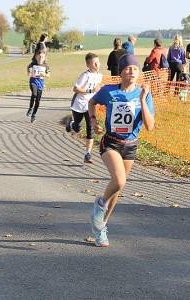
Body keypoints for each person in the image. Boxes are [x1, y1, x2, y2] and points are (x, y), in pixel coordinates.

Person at [88, 54, 155, 247]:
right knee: (119, 180)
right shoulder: (109, 91)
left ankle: (101, 228)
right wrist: (93, 122)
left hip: (131, 145)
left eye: (135, 68)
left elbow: (150, 126)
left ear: (139, 72)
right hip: (111, 142)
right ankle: (100, 204)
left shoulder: (145, 93)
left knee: (118, 187)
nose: (131, 71)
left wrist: (142, 99)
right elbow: (92, 102)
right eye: (127, 68)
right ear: (121, 72)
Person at [65, 53, 102, 163]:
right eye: (94, 63)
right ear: (88, 65)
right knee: (77, 127)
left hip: (90, 105)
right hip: (78, 104)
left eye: (98, 62)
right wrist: (90, 91)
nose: (97, 64)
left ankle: (88, 154)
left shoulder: (99, 76)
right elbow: (75, 89)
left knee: (90, 129)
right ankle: (71, 123)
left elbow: (98, 89)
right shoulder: (85, 75)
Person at [26, 50, 50, 123]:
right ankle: (30, 108)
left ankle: (33, 114)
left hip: (40, 84)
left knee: (38, 100)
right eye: (39, 57)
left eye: (42, 57)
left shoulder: (46, 66)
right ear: (36, 57)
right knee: (34, 94)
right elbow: (28, 67)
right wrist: (29, 72)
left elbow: (49, 75)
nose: (40, 58)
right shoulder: (33, 64)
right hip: (33, 82)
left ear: (44, 57)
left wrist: (45, 75)